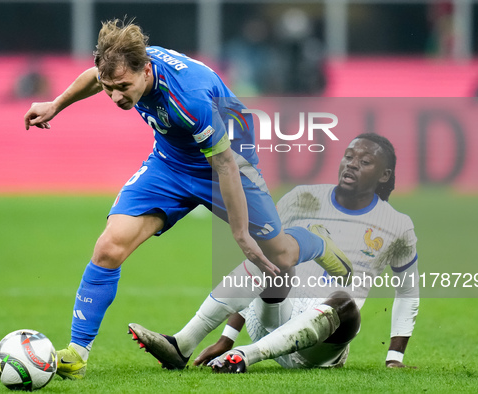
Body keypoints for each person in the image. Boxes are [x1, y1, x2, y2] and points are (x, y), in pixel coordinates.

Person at [23, 18, 351, 379]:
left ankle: (316, 240)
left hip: (228, 161)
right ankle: (77, 353)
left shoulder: (187, 97)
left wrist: (241, 234)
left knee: (282, 256)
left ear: (146, 70)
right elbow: (93, 74)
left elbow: (224, 164)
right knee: (109, 248)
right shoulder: (122, 68)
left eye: (123, 87)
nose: (116, 96)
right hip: (171, 163)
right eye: (109, 87)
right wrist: (56, 104)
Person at [129, 133, 419, 372]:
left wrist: (395, 357)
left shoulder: (398, 226)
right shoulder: (302, 197)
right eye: (349, 156)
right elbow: (260, 259)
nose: (352, 165)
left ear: (384, 175)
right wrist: (228, 336)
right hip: (275, 312)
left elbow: (408, 293)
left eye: (365, 161)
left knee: (346, 303)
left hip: (322, 344)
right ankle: (183, 344)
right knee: (275, 257)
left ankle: (247, 356)